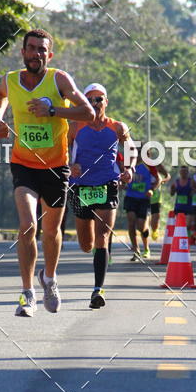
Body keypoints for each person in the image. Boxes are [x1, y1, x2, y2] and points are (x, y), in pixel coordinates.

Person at [0, 29, 94, 316]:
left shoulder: (59, 80)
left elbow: (88, 113)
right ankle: (27, 294)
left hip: (56, 166)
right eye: (32, 48)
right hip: (23, 164)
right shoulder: (11, 80)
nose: (36, 53)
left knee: (51, 231)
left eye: (41, 49)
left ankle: (49, 278)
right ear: (23, 52)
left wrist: (53, 111)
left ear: (49, 55)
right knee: (27, 226)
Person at [68, 83, 133, 308]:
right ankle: (96, 278)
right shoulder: (75, 126)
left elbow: (131, 149)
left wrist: (129, 168)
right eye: (90, 99)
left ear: (106, 102)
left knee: (102, 236)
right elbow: (63, 151)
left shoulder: (117, 127)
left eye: (99, 99)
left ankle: (98, 290)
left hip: (108, 183)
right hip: (80, 186)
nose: (95, 103)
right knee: (86, 244)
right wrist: (70, 165)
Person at [124, 155, 158, 260]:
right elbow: (121, 177)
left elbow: (158, 179)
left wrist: (152, 189)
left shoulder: (149, 166)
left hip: (143, 199)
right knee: (131, 222)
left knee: (141, 227)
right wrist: (121, 183)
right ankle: (136, 250)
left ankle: (146, 248)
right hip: (130, 197)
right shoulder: (128, 165)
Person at [170, 166, 196, 237]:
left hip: (188, 207)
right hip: (179, 207)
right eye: (182, 171)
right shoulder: (176, 182)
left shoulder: (191, 181)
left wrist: (193, 192)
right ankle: (181, 238)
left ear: (187, 172)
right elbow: (172, 194)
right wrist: (172, 189)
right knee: (179, 225)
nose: (183, 173)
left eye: (185, 171)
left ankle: (187, 237)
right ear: (180, 172)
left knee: (188, 225)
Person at [149, 163, 171, 241]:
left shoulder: (156, 164)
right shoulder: (138, 163)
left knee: (155, 215)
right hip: (143, 194)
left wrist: (162, 181)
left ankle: (154, 230)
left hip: (155, 195)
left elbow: (168, 176)